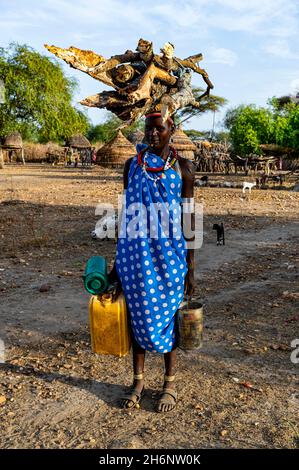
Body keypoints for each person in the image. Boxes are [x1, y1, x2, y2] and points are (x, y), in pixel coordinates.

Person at [108, 113, 195, 412]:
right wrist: (115, 264)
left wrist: (191, 268)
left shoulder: (184, 169)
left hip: (170, 256)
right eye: (149, 129)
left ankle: (169, 383)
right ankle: (139, 382)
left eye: (160, 129)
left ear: (172, 129)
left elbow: (189, 219)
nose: (153, 134)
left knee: (168, 317)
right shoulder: (132, 166)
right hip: (134, 255)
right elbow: (124, 213)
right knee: (137, 316)